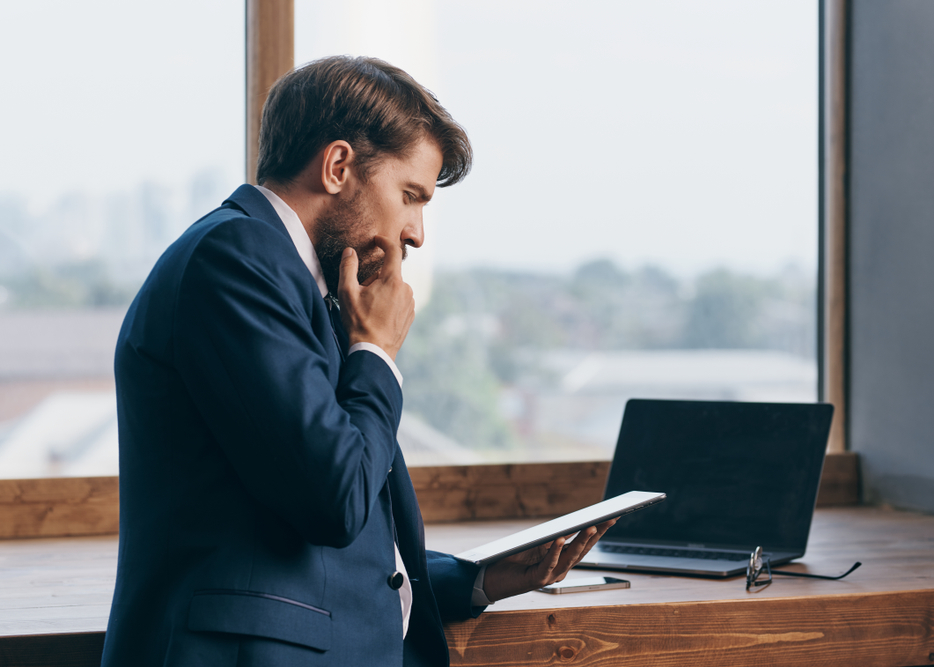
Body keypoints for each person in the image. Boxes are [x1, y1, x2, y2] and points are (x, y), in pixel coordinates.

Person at [100, 56, 613, 667]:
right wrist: (375, 352)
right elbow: (333, 499)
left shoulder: (302, 282)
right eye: (410, 195)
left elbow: (321, 532)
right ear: (339, 166)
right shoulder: (235, 260)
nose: (416, 233)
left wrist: (480, 579)